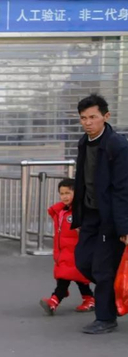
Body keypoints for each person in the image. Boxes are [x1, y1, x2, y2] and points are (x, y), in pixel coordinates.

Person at [72, 94, 128, 334]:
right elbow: (82, 180)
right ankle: (115, 293)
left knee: (103, 268)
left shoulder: (118, 145)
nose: (87, 122)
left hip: (110, 217)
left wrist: (124, 227)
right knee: (82, 261)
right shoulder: (84, 142)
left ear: (106, 116)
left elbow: (122, 189)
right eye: (83, 118)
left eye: (93, 117)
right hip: (90, 214)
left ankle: (106, 318)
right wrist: (78, 213)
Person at [40, 178, 95, 315]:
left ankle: (54, 301)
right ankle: (89, 299)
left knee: (66, 277)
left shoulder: (79, 212)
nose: (64, 196)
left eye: (68, 193)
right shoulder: (61, 211)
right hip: (63, 251)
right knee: (77, 278)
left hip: (75, 251)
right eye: (62, 193)